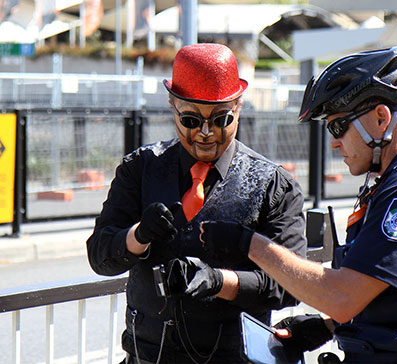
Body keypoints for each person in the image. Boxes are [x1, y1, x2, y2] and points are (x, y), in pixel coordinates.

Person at [200, 46, 397, 364]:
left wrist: (249, 243)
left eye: (338, 126)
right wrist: (327, 327)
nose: (334, 141)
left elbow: (343, 297)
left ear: (381, 118)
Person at [86, 43, 307, 364]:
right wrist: (138, 236)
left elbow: (290, 285)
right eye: (191, 120)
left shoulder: (273, 185)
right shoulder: (140, 169)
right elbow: (100, 256)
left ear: (239, 107)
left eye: (221, 119)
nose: (206, 133)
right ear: (172, 106)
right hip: (149, 355)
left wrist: (218, 281)